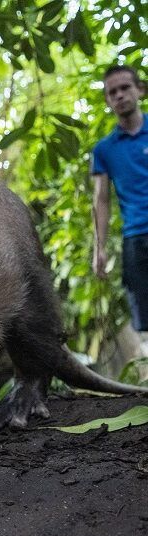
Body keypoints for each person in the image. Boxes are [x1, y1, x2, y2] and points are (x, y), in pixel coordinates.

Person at [92, 65, 147, 334]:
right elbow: (102, 200)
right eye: (112, 92)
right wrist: (99, 247)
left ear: (140, 90)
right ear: (108, 100)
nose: (120, 95)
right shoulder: (104, 150)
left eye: (125, 87)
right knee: (145, 319)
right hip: (136, 239)